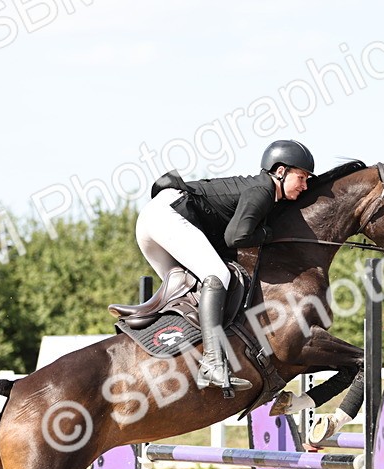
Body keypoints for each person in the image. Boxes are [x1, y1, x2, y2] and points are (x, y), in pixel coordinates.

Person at [135, 139, 315, 391]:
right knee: (218, 275)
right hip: (167, 216)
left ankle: (168, 355)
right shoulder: (262, 190)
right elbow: (236, 237)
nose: (305, 185)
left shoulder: (261, 190)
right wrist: (268, 234)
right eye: (302, 177)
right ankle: (212, 363)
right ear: (281, 171)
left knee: (188, 293)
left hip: (151, 220)